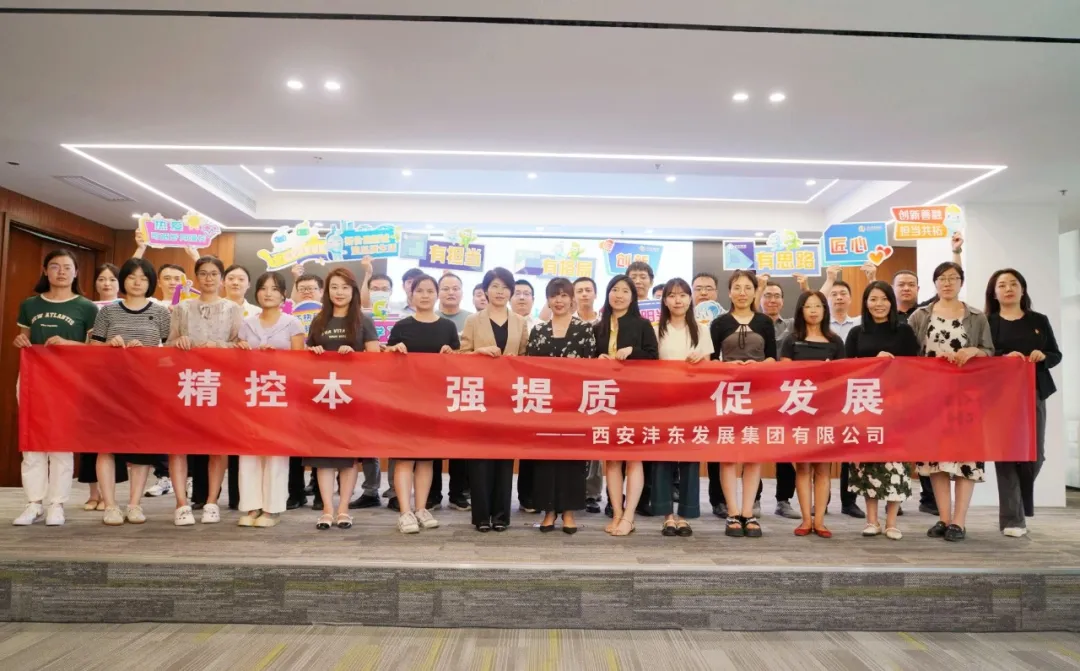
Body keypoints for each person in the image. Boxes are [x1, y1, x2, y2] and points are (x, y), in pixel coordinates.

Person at [12, 249, 99, 527]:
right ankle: (33, 502)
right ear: (45, 271)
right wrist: (20, 342)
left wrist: (69, 344)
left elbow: (95, 349)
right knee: (32, 440)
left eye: (67, 267)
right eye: (54, 266)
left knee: (61, 441)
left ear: (76, 273)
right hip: (33, 379)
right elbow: (24, 339)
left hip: (68, 380)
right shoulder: (30, 305)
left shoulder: (87, 307)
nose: (61, 272)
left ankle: (57, 504)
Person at [908, 262, 994, 542]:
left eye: (953, 278)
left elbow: (990, 351)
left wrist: (974, 351)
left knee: (966, 458)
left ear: (961, 282)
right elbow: (908, 352)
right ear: (934, 283)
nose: (947, 283)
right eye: (942, 279)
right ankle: (944, 518)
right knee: (936, 459)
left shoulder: (976, 316)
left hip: (967, 397)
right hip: (930, 397)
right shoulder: (921, 315)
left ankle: (959, 521)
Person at [89, 257, 172, 525]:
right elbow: (92, 350)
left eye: (144, 278)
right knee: (106, 446)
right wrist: (109, 346)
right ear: (123, 280)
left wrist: (148, 353)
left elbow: (171, 357)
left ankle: (134, 504)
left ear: (151, 283)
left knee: (141, 447)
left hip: (145, 390)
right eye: (132, 277)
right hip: (110, 389)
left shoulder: (161, 313)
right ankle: (110, 505)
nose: (137, 282)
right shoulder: (108, 312)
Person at [166, 255, 242, 526]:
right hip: (185, 383)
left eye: (214, 274)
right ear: (196, 277)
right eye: (203, 273)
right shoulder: (182, 308)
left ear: (221, 279)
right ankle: (181, 503)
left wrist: (218, 346)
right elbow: (167, 346)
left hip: (219, 384)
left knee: (217, 445)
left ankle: (211, 501)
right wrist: (178, 342)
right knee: (178, 444)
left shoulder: (233, 309)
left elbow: (239, 345)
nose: (208, 278)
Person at [985, 268, 1061, 538]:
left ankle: (1020, 504)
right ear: (994, 293)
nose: (1008, 288)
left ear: (1022, 289)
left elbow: (1055, 354)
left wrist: (1043, 356)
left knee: (1034, 455)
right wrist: (1003, 358)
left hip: (1034, 392)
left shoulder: (1038, 320)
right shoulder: (989, 322)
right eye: (1002, 285)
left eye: (1013, 284)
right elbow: (984, 355)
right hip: (1000, 396)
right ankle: (1013, 520)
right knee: (1007, 455)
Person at [306, 268, 381, 530]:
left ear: (354, 291)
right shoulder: (318, 320)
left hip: (352, 399)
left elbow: (375, 359)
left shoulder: (363, 320)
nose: (339, 292)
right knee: (324, 458)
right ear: (327, 291)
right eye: (334, 287)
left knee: (348, 458)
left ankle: (344, 509)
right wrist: (313, 352)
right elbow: (304, 357)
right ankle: (327, 509)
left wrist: (356, 355)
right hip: (323, 399)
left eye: (345, 287)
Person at [844, 281, 920, 540]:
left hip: (897, 405)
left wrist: (893, 363)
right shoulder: (856, 333)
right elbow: (846, 368)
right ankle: (872, 520)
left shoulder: (904, 331)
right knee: (868, 463)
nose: (879, 304)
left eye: (884, 299)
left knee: (895, 462)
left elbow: (915, 368)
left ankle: (892, 522)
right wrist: (870, 363)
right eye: (873, 299)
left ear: (891, 301)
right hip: (865, 404)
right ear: (866, 303)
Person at [386, 274, 459, 533]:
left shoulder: (447, 327)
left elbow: (457, 364)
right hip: (405, 402)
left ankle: (421, 508)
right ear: (411, 294)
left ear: (437, 295)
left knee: (427, 459)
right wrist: (392, 350)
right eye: (420, 291)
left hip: (434, 402)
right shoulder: (401, 326)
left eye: (430, 291)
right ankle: (405, 512)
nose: (425, 295)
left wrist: (451, 354)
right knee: (405, 459)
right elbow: (387, 362)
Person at [457, 267, 528, 531]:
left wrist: (516, 361)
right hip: (479, 397)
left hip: (508, 398)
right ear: (485, 290)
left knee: (504, 458)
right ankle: (481, 516)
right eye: (495, 286)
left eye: (505, 287)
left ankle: (501, 516)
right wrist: (478, 353)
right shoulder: (473, 320)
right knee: (479, 458)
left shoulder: (520, 321)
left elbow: (526, 358)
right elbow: (461, 356)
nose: (500, 292)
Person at [523, 277, 595, 534]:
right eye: (554, 296)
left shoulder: (584, 329)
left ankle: (569, 512)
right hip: (545, 405)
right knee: (546, 459)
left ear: (572, 299)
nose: (559, 300)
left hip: (575, 405)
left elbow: (591, 368)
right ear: (548, 300)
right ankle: (549, 511)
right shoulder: (539, 330)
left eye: (564, 295)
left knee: (572, 460)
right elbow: (530, 368)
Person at [235, 271, 307, 528]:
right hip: (252, 395)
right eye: (264, 288)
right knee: (249, 451)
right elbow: (236, 364)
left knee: (276, 452)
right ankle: (251, 506)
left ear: (283, 294)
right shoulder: (247, 324)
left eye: (274, 289)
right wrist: (241, 351)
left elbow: (300, 363)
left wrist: (277, 356)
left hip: (280, 396)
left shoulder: (292, 324)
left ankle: (272, 508)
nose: (268, 293)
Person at [709, 270, 777, 538]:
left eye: (748, 287)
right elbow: (711, 360)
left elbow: (772, 358)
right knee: (728, 455)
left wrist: (758, 366)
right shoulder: (719, 323)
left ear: (754, 291)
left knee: (753, 455)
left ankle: (749, 513)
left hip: (758, 395)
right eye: (737, 287)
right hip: (728, 394)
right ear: (729, 292)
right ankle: (732, 512)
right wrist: (728, 366)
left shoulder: (764, 322)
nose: (742, 293)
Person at [594, 275, 659, 537]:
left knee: (634, 457)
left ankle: (629, 516)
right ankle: (617, 512)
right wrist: (597, 359)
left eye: (624, 291)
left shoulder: (642, 324)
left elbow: (653, 357)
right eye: (614, 290)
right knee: (611, 459)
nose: (619, 295)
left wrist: (633, 351)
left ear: (633, 297)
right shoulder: (598, 326)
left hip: (635, 399)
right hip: (607, 400)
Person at [779, 290, 846, 538]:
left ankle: (820, 521)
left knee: (823, 469)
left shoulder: (835, 341)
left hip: (827, 412)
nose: (814, 311)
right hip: (800, 410)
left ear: (825, 310)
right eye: (808, 306)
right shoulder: (791, 340)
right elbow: (783, 374)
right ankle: (806, 519)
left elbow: (844, 376)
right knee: (803, 468)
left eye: (818, 306)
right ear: (801, 311)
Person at [653, 278, 710, 537]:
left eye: (683, 295)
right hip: (663, 403)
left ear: (690, 299)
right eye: (672, 295)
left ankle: (685, 515)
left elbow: (709, 366)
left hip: (692, 404)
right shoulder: (656, 329)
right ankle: (667, 516)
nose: (678, 300)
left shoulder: (702, 329)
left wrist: (700, 360)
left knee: (689, 459)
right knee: (662, 460)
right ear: (665, 300)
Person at [77, 262, 125, 510]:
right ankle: (93, 493)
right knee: (91, 437)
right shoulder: (87, 307)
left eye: (112, 279)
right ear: (94, 283)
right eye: (102, 279)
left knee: (113, 439)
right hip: (91, 379)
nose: (107, 284)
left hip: (118, 381)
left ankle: (109, 495)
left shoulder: (125, 307)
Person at [284, 268, 325, 510]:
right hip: (293, 384)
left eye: (312, 288)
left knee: (320, 439)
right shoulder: (287, 317)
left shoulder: (329, 317)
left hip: (322, 384)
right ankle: (295, 492)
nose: (307, 292)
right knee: (292, 440)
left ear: (321, 292)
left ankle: (320, 492)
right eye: (302, 289)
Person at [693, 271, 731, 518]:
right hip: (689, 392)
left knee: (719, 446)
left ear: (717, 292)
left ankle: (719, 500)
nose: (703, 293)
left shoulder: (726, 321)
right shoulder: (681, 319)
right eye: (698, 288)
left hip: (719, 391)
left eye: (708, 288)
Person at [759, 279, 798, 521]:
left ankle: (783, 500)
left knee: (784, 450)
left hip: (785, 393)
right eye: (767, 295)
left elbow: (817, 304)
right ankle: (753, 499)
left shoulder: (792, 325)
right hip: (756, 393)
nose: (772, 300)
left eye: (776, 295)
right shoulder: (752, 323)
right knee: (753, 447)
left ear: (783, 301)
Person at [826, 279, 865, 519]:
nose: (839, 297)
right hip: (825, 394)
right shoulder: (821, 326)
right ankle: (821, 501)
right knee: (823, 446)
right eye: (834, 294)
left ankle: (849, 501)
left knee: (849, 446)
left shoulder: (859, 325)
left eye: (843, 293)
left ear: (850, 298)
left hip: (852, 392)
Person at [571, 276, 602, 512]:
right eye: (579, 290)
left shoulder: (605, 323)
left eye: (588, 290)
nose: (584, 294)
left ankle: (591, 493)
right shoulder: (565, 322)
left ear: (595, 294)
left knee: (595, 442)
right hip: (571, 390)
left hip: (598, 389)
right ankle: (572, 490)